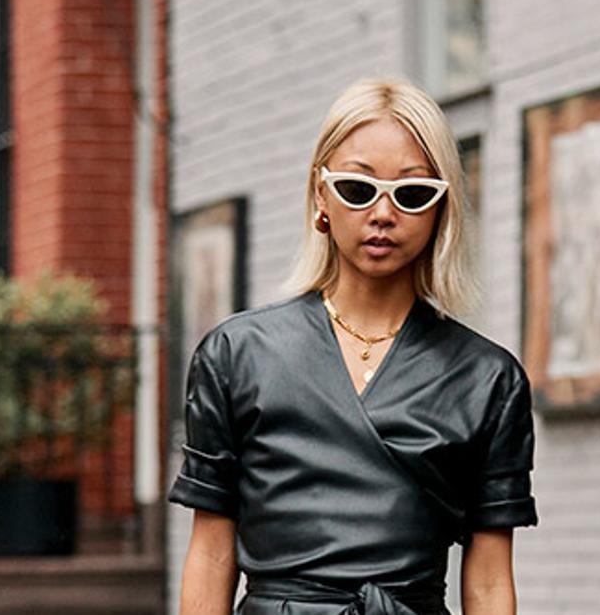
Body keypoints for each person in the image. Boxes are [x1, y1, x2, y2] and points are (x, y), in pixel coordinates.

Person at [169, 77, 538, 615]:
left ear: (442, 210)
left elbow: (488, 582)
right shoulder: (236, 354)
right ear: (321, 194)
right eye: (357, 189)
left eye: (412, 194)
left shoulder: (487, 378)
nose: (383, 214)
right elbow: (209, 555)